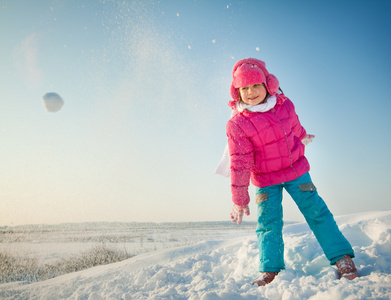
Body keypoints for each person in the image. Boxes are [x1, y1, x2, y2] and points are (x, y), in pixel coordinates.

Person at [216, 58, 359, 286]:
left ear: (268, 85)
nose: (251, 92)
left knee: (317, 212)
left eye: (256, 86)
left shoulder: (285, 105)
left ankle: (342, 258)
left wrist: (303, 136)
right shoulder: (237, 125)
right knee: (268, 223)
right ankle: (270, 270)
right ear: (237, 92)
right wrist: (239, 199)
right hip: (265, 181)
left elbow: (294, 126)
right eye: (244, 88)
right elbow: (240, 162)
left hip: (297, 171)